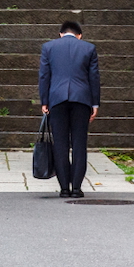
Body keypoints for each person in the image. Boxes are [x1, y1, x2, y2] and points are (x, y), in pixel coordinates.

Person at [38, 20, 101, 198]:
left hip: (57, 99)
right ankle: (76, 188)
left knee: (60, 144)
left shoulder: (48, 48)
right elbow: (94, 78)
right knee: (80, 144)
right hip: (82, 100)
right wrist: (95, 103)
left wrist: (44, 101)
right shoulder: (88, 48)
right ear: (79, 35)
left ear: (61, 34)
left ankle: (64, 187)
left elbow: (44, 76)